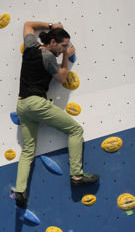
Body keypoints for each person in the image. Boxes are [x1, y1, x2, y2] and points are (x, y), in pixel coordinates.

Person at [14, 21, 99, 209]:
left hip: (22, 105)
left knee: (28, 150)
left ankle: (20, 191)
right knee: (76, 130)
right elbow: (61, 78)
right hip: (36, 103)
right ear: (52, 42)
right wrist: (66, 58)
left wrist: (50, 24)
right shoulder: (49, 57)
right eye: (62, 45)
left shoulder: (30, 45)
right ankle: (76, 176)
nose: (63, 49)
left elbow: (28, 24)